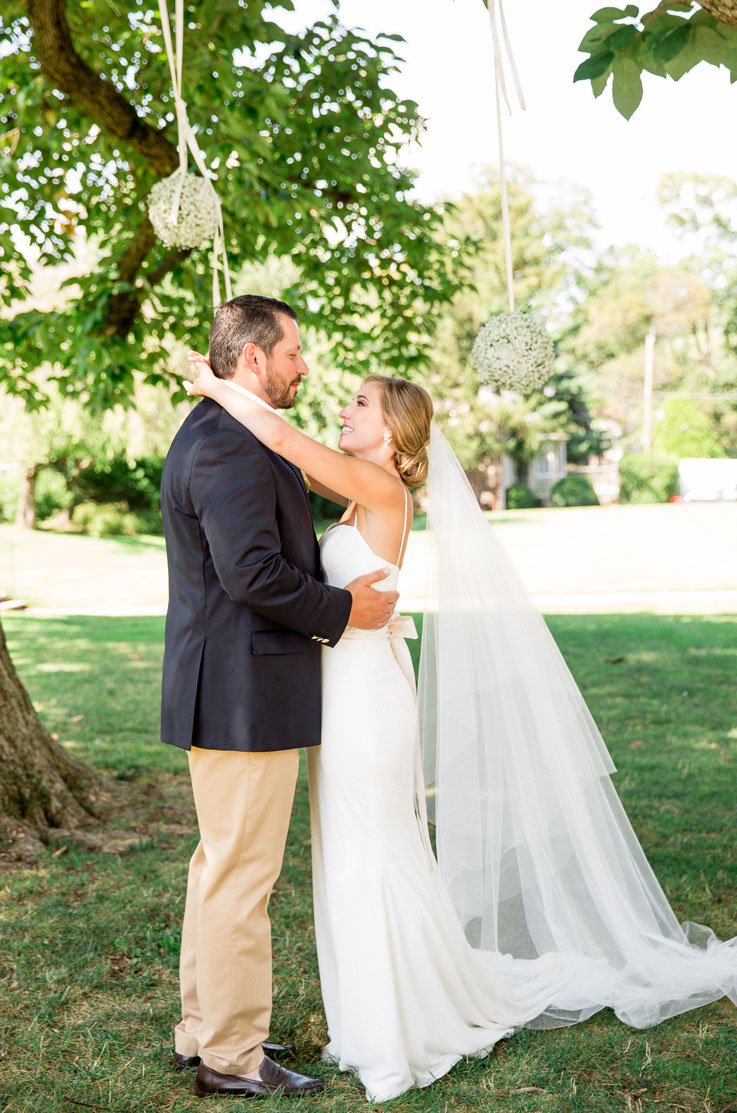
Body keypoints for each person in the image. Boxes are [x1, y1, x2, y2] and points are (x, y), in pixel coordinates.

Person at [184, 351, 737, 1103]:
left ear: (392, 434)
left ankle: (395, 1024)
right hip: (341, 692)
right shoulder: (353, 495)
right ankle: (372, 1009)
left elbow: (280, 441)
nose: (342, 410)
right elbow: (279, 458)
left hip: (367, 698)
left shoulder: (377, 488)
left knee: (372, 848)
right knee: (349, 849)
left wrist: (216, 386)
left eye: (359, 404)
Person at [160, 294, 399, 1100]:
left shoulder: (222, 426)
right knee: (241, 877)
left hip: (228, 687)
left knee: (218, 867)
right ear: (254, 358)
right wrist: (346, 611)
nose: (304, 364)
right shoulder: (228, 442)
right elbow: (252, 574)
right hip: (242, 693)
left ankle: (204, 1027)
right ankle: (231, 1053)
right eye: (293, 350)